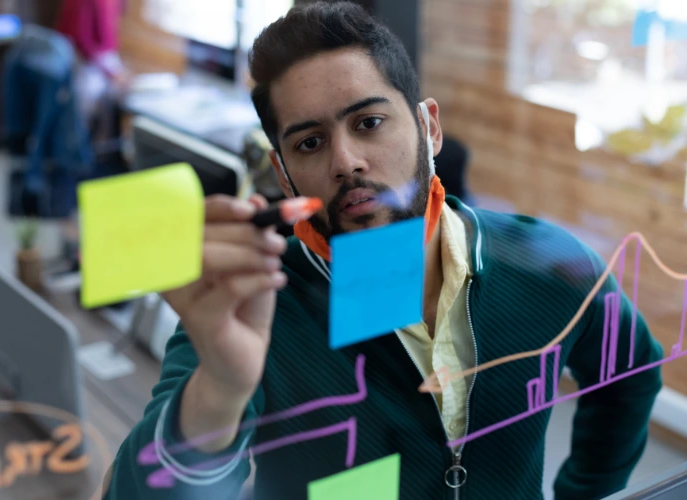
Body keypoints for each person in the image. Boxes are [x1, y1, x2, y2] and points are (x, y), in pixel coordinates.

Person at [103, 3, 663, 499]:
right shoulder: (252, 309)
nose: (346, 161)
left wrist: (584, 490)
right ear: (283, 173)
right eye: (310, 142)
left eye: (369, 122)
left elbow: (633, 372)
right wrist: (221, 389)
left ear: (429, 127)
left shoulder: (544, 265)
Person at [55, 0, 130, 127]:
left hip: (102, 58)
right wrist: (111, 72)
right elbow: (81, 41)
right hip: (78, 60)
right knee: (91, 93)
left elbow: (108, 39)